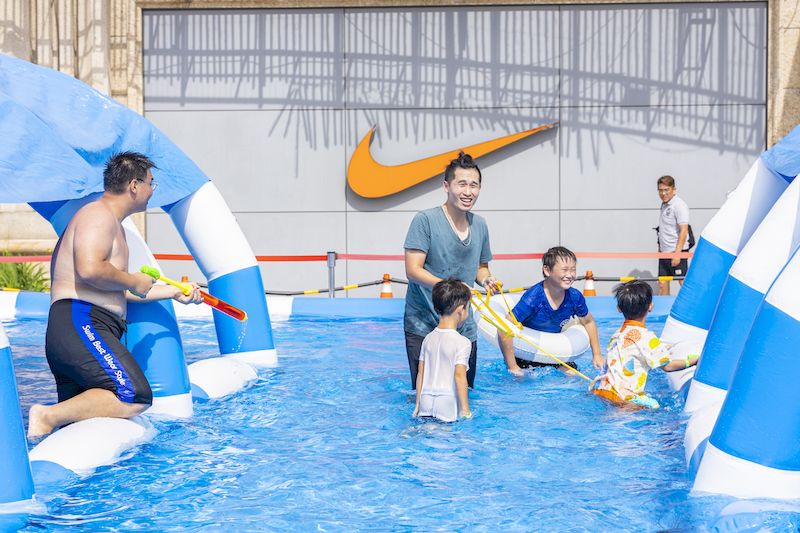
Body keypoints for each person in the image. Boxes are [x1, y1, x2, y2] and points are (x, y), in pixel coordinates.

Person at [27, 152, 202, 438]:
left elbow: (114, 288)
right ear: (134, 185)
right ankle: (47, 414)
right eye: (151, 183)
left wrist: (172, 292)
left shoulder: (111, 224)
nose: (152, 190)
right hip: (81, 322)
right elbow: (90, 269)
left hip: (82, 326)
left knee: (78, 433)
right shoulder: (97, 215)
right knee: (134, 394)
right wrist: (133, 280)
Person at [404, 152, 500, 390]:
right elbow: (413, 270)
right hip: (424, 323)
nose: (468, 191)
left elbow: (481, 268)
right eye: (462, 184)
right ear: (446, 186)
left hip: (463, 324)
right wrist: (452, 288)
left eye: (474, 185)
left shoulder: (480, 224)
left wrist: (487, 280)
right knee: (424, 392)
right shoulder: (425, 220)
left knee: (465, 392)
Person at [590, 280, 698, 407]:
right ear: (650, 306)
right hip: (625, 398)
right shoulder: (647, 338)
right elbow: (668, 367)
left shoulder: (617, 334)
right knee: (654, 406)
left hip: (602, 391)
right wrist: (691, 362)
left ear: (619, 308)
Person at [498, 247, 603, 376]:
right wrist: (513, 367)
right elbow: (504, 328)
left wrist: (597, 355)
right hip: (526, 355)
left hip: (554, 353)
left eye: (573, 269)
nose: (570, 275)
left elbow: (588, 322)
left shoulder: (574, 297)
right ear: (547, 270)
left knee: (574, 376)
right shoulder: (533, 298)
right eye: (564, 270)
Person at [413, 279, 473, 422]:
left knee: (427, 430)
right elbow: (459, 376)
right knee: (444, 434)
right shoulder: (463, 342)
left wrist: (417, 404)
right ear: (461, 310)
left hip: (426, 398)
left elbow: (421, 373)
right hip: (447, 400)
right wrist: (465, 409)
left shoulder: (428, 339)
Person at [656, 175, 691, 296]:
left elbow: (684, 230)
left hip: (677, 251)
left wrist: (677, 253)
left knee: (683, 282)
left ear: (674, 190)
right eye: (660, 190)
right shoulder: (664, 204)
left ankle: (690, 306)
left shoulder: (679, 205)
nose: (663, 193)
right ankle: (665, 307)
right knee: (662, 283)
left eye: (666, 190)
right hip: (664, 252)